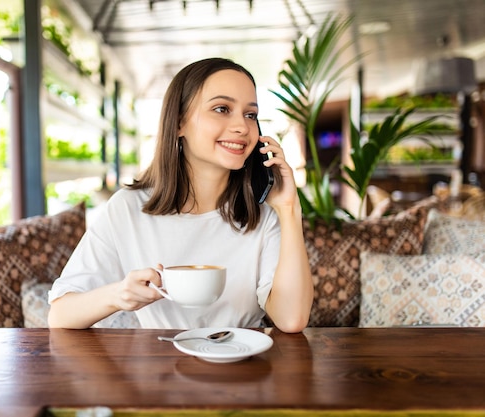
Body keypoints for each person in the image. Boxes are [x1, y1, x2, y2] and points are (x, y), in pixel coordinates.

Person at [47, 57, 313, 332]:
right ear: (178, 123)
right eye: (222, 109)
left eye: (250, 114)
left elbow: (291, 319)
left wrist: (289, 207)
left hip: (241, 365)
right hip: (159, 369)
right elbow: (60, 315)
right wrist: (120, 295)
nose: (242, 127)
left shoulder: (263, 217)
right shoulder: (127, 209)